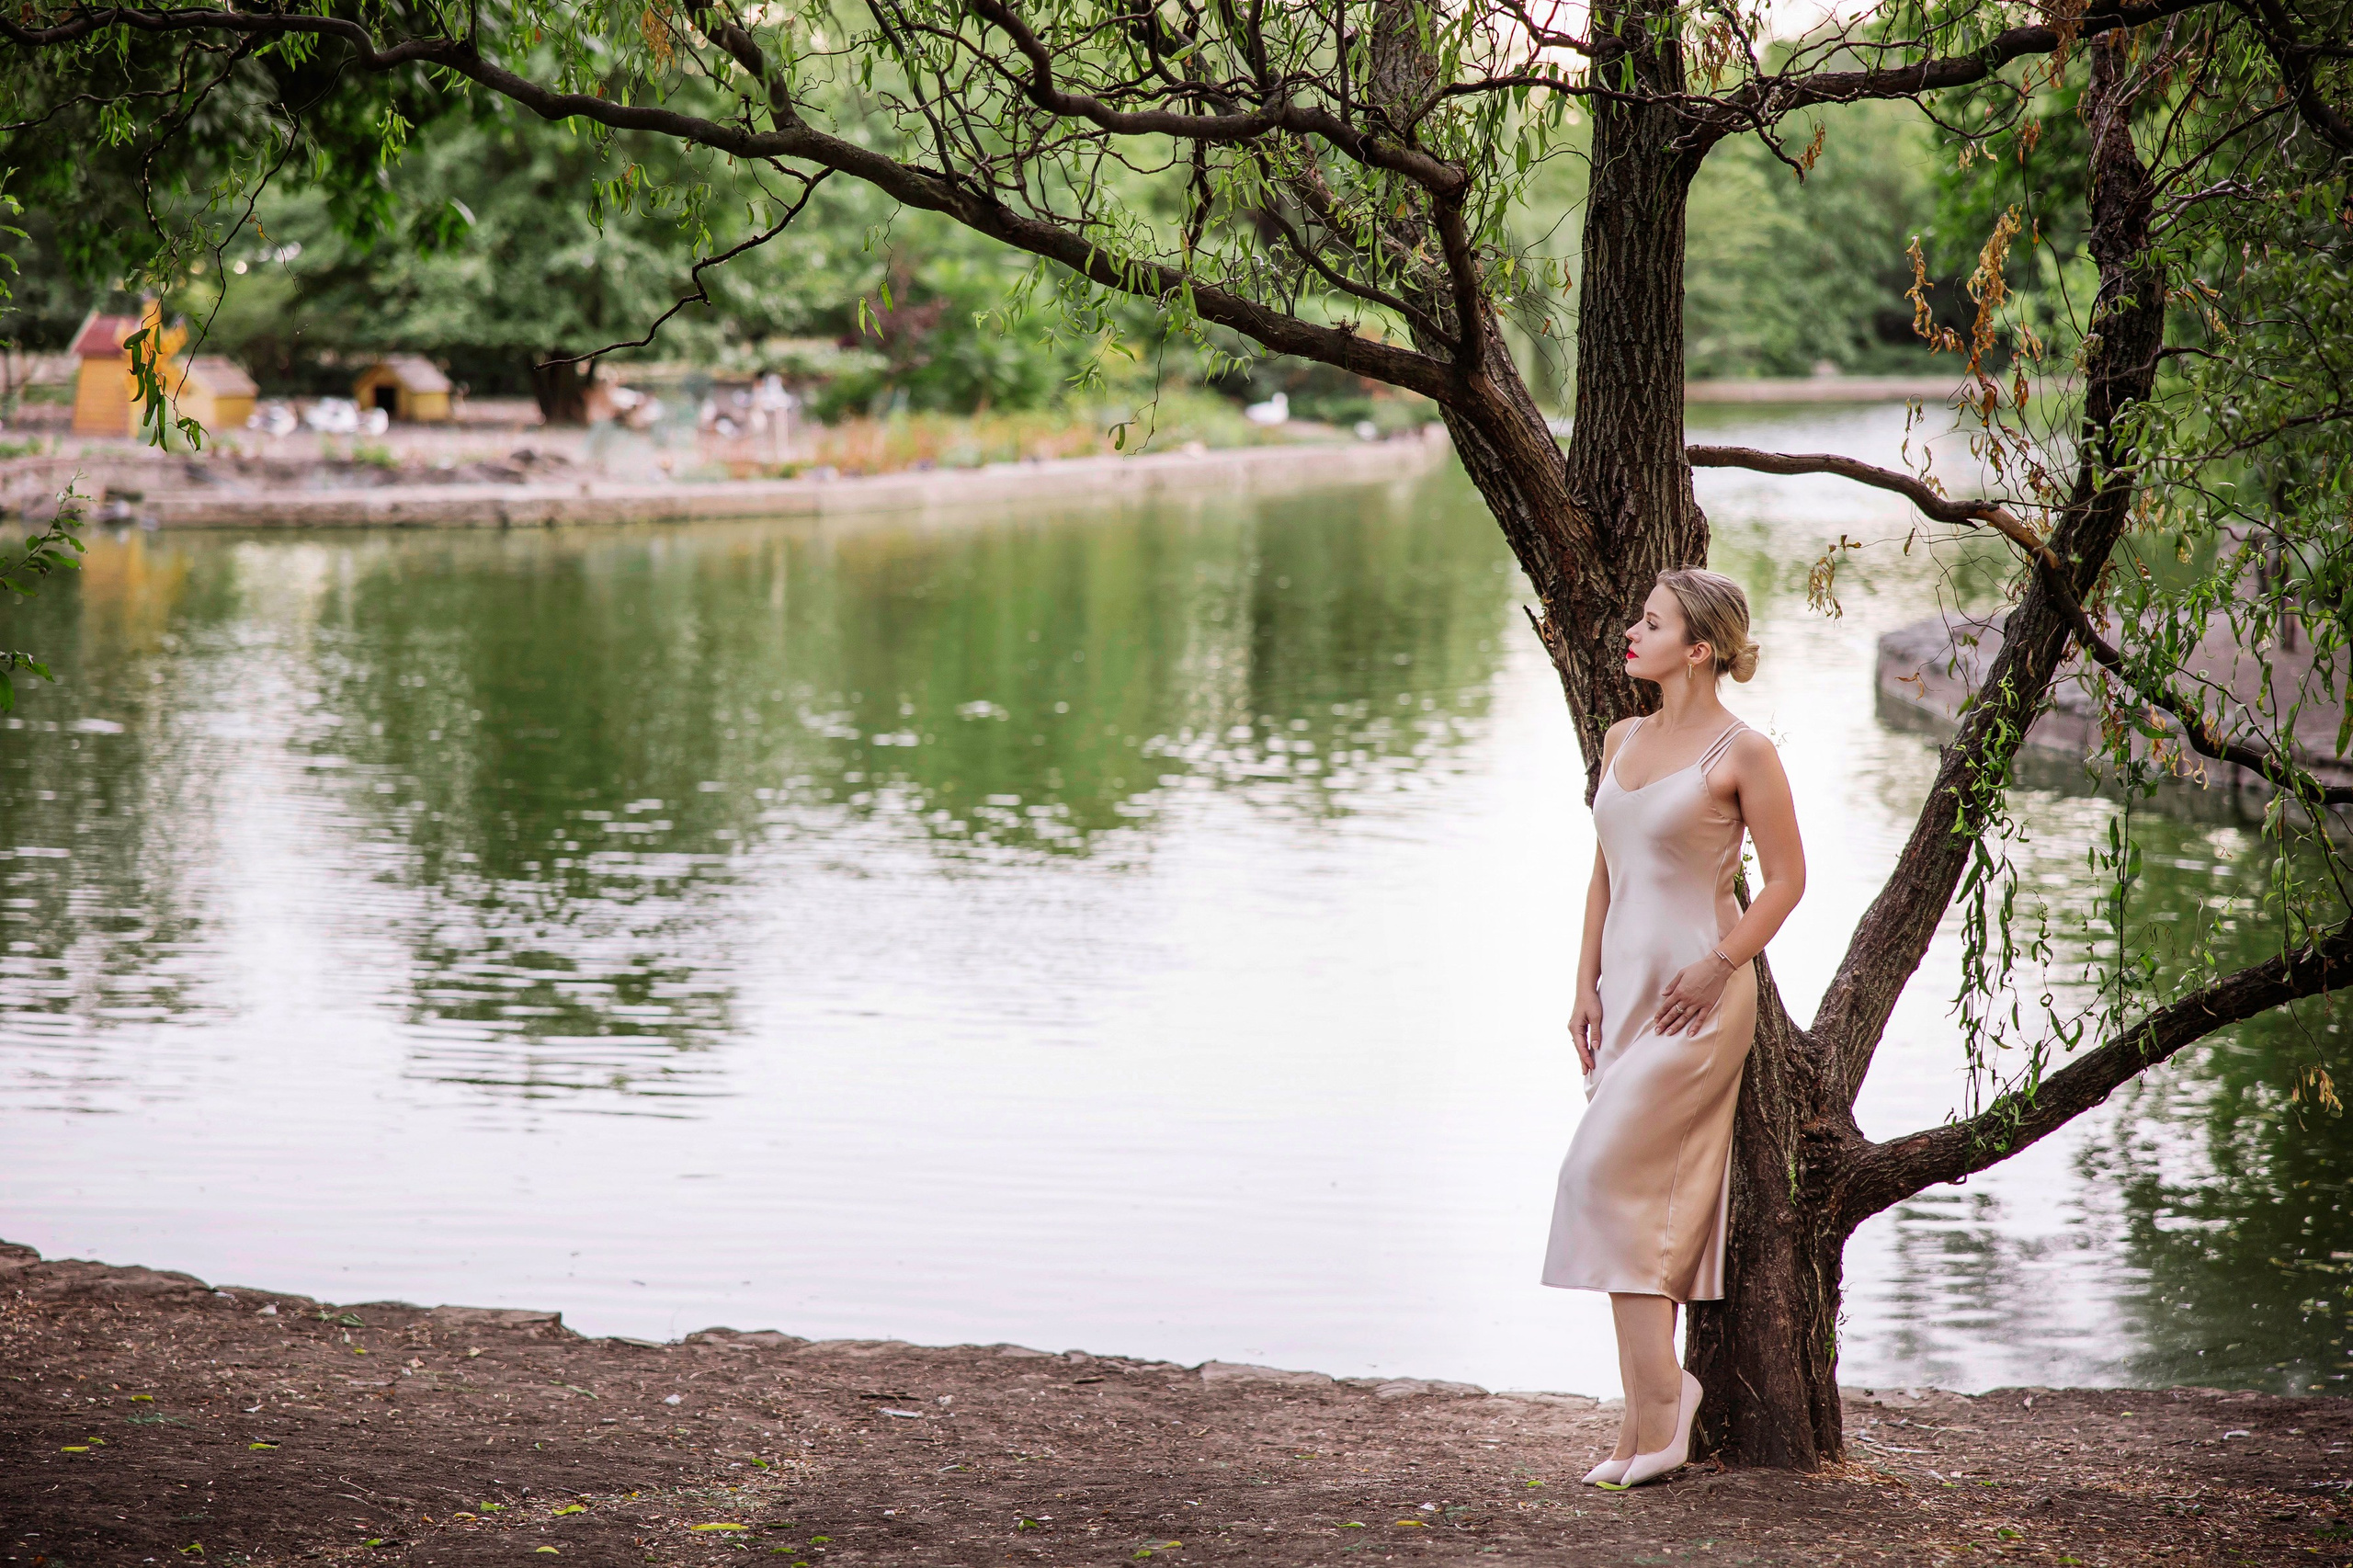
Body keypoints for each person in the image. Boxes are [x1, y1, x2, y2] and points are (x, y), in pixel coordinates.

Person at [1541, 568, 1806, 1488]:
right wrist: (1584, 982)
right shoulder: (1622, 737)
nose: (1630, 630)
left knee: (1599, 1171)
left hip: (1697, 998)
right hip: (1626, 996)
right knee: (1627, 1197)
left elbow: (1783, 882)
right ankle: (1648, 1415)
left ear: (1697, 647)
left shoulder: (1744, 751)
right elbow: (1605, 871)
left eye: (1649, 621)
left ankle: (1662, 1403)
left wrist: (1720, 961)